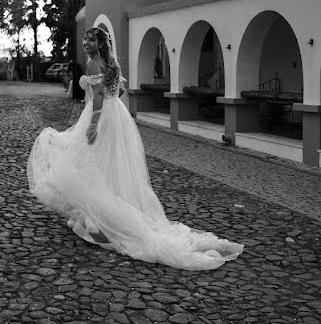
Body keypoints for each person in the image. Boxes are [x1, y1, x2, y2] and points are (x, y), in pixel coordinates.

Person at [27, 27, 243, 270]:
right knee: (109, 161)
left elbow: (97, 97)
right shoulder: (110, 64)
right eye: (85, 39)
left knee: (82, 161)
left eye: (91, 40)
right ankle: (98, 212)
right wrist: (106, 109)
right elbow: (118, 91)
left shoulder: (92, 65)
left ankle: (98, 215)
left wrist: (93, 125)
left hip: (100, 117)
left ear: (100, 44)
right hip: (116, 115)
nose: (86, 43)